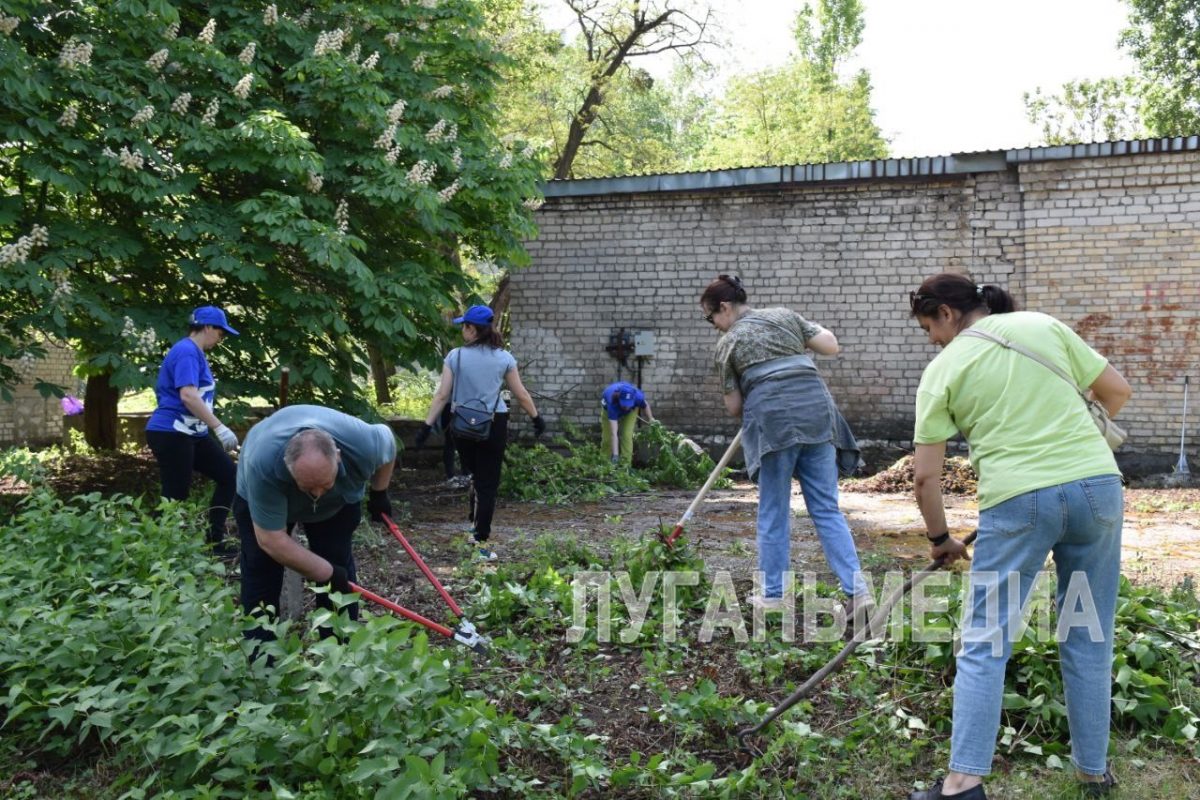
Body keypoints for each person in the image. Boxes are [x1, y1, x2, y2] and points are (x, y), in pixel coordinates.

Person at [906, 273, 1131, 800]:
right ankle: (1093, 773)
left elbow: (923, 477)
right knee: (1089, 629)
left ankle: (963, 783)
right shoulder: (1042, 326)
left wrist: (941, 539)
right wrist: (1069, 455)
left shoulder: (944, 370)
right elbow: (1116, 392)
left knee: (986, 639)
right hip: (1098, 487)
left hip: (1017, 500)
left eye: (928, 329)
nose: (933, 340)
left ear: (944, 312)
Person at [699, 274, 868, 613]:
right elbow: (830, 345)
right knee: (826, 508)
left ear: (725, 307)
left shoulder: (728, 343)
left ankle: (774, 597)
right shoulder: (784, 316)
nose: (714, 325)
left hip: (774, 422)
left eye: (711, 317)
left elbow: (734, 407)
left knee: (774, 510)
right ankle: (858, 592)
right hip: (818, 414)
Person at [233, 404, 396, 642]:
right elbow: (271, 539)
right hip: (266, 493)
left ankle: (340, 650)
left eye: (325, 484)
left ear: (338, 456)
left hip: (337, 505)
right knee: (261, 570)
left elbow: (388, 444)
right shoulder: (263, 465)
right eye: (308, 488)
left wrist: (379, 492)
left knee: (338, 566)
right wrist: (325, 572)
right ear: (290, 470)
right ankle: (261, 659)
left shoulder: (364, 443)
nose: (317, 494)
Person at [414, 305, 545, 560]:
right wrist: (536, 418)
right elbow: (520, 393)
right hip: (493, 423)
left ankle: (474, 516)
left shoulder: (455, 356)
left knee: (474, 474)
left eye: (465, 326)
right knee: (488, 485)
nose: (463, 330)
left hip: (461, 425)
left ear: (473, 329)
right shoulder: (504, 358)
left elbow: (442, 394)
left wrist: (426, 426)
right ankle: (480, 541)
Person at [145, 305, 241, 557]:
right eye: (221, 333)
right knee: (175, 494)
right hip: (171, 432)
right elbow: (188, 395)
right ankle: (157, 552)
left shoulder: (195, 353)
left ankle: (214, 542)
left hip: (191, 433)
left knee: (229, 475)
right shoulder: (187, 351)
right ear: (208, 327)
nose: (221, 339)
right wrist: (218, 427)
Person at [600, 381, 654, 465]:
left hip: (631, 412)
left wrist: (651, 420)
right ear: (619, 399)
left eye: (629, 404)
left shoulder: (637, 397)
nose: (626, 407)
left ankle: (626, 466)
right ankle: (604, 463)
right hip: (608, 410)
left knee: (626, 435)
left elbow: (645, 405)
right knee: (607, 438)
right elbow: (614, 433)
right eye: (624, 404)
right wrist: (615, 455)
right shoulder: (612, 403)